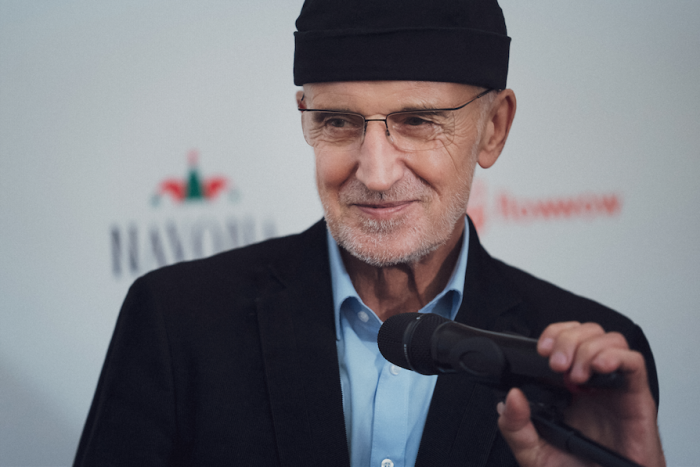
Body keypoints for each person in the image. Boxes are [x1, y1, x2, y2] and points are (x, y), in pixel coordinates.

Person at [74, 1, 665, 466]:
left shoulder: (587, 367)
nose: (376, 174)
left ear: (494, 129)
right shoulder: (176, 323)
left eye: (418, 121)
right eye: (338, 121)